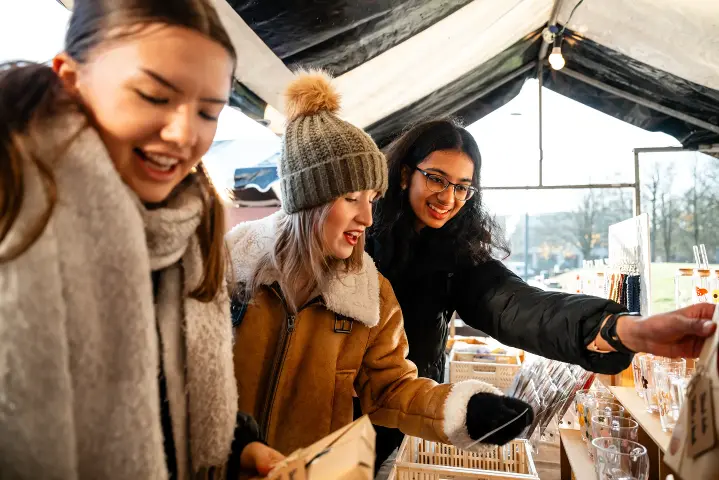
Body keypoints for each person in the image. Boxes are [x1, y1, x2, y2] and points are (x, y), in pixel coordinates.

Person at [0, 0, 282, 478]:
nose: (182, 134)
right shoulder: (17, 216)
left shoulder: (193, 227)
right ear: (70, 77)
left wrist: (239, 448)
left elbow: (170, 396)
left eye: (209, 113)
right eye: (154, 95)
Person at [364, 118, 719, 467]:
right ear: (403, 174)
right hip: (344, 423)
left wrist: (621, 329)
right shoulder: (358, 239)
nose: (448, 197)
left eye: (462, 187)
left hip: (411, 419)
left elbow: (517, 305)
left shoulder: (455, 254)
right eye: (436, 179)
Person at [227, 70, 534, 458]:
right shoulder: (229, 270)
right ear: (309, 197)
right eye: (352, 198)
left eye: (372, 199)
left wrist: (465, 409)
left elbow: (391, 388)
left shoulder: (369, 293)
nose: (367, 218)